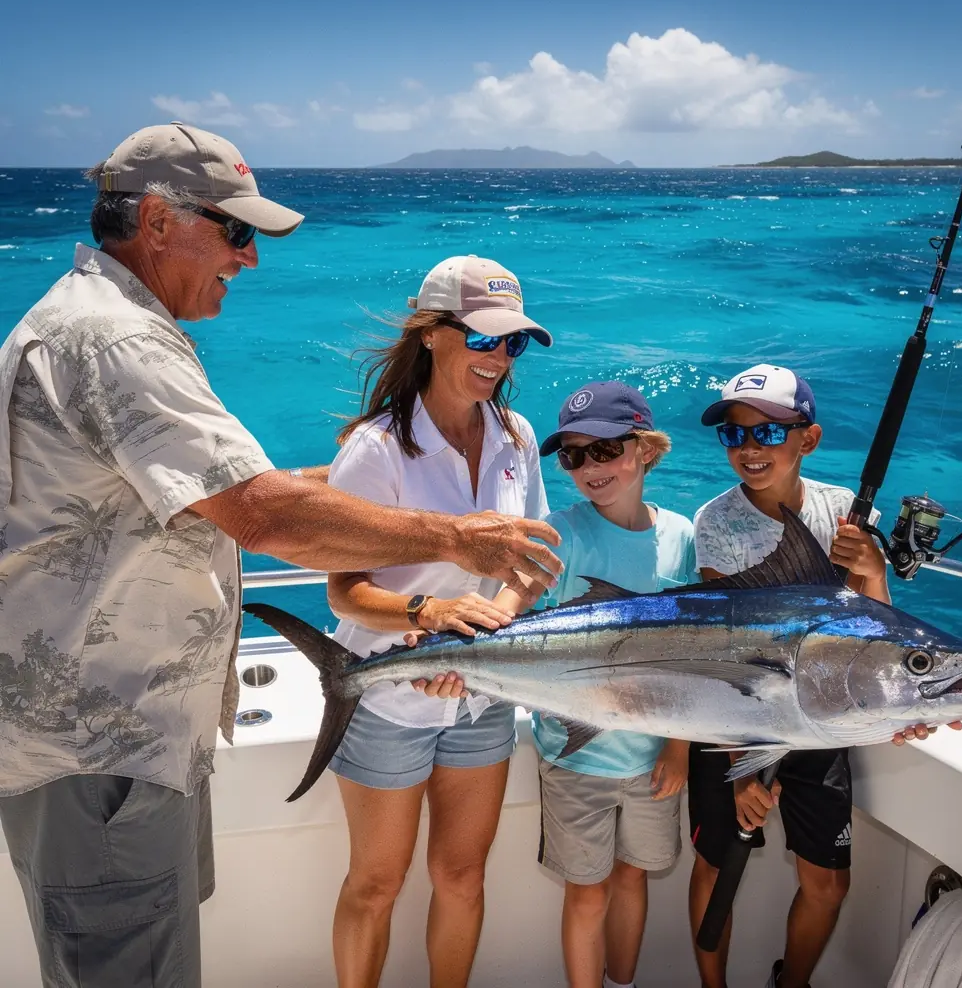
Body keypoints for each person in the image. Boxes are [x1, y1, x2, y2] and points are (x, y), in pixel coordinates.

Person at [0, 128, 561, 988]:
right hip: (99, 745)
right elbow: (259, 515)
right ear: (156, 221)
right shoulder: (114, 340)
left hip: (122, 737)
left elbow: (207, 489)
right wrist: (453, 540)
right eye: (235, 231)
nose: (250, 257)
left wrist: (332, 489)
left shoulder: (101, 324)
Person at [685, 363, 957, 988]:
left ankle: (793, 983)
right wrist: (742, 771)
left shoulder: (847, 512)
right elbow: (720, 656)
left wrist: (872, 571)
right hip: (736, 723)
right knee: (717, 866)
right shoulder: (715, 522)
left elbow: (880, 639)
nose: (750, 448)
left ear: (808, 439)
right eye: (734, 435)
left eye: (768, 433)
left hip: (823, 722)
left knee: (828, 885)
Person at [323, 254, 553, 988]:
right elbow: (344, 592)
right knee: (376, 884)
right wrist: (432, 615)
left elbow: (532, 565)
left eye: (512, 343)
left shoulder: (518, 435)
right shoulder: (376, 448)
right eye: (483, 338)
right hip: (387, 698)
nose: (499, 357)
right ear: (430, 333)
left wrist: (481, 633)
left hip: (483, 694)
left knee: (462, 876)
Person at [487, 381, 696, 988]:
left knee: (632, 878)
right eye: (574, 457)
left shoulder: (681, 536)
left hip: (653, 760)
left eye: (605, 450)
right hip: (574, 755)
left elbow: (688, 655)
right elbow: (508, 607)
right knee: (587, 893)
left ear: (646, 450)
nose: (589, 468)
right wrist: (448, 640)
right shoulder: (560, 532)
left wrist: (679, 745)